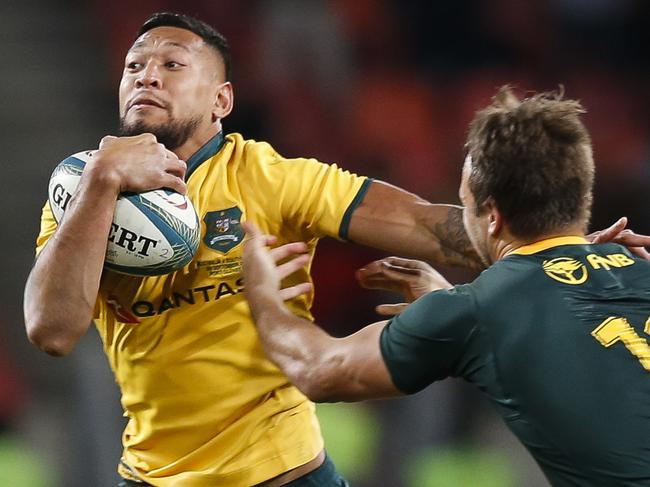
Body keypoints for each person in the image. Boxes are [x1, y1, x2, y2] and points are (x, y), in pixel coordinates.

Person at [22, 10, 645, 486]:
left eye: (174, 64)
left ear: (222, 101)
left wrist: (561, 246)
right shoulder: (81, 188)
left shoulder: (271, 178)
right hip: (153, 474)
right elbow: (51, 329)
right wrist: (102, 183)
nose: (147, 75)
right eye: (135, 65)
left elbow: (431, 227)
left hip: (286, 470)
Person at [241, 87, 650, 486]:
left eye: (464, 205)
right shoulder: (637, 267)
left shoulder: (479, 309)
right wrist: (449, 307)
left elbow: (319, 371)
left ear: (491, 216)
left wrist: (262, 291)